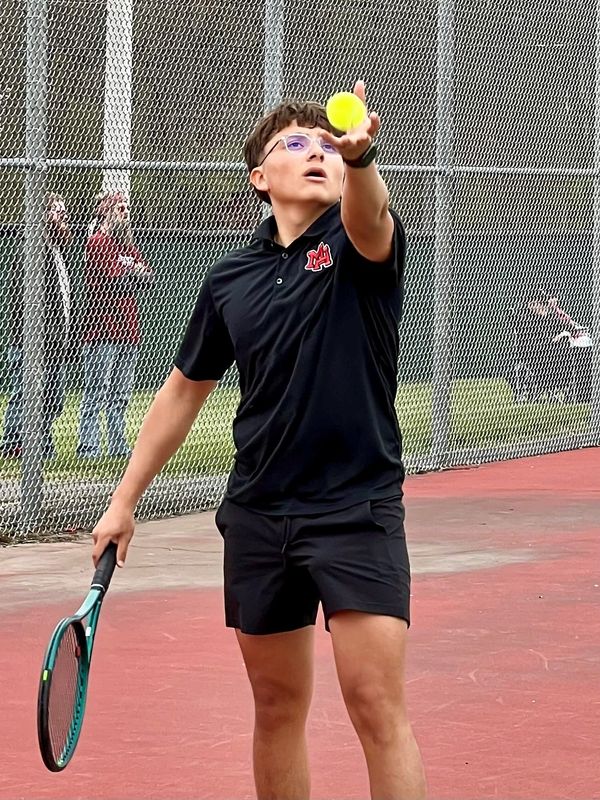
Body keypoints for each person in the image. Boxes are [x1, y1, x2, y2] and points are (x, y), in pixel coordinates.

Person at [91, 81, 427, 799]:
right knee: (276, 708)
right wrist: (123, 501)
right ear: (259, 177)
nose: (316, 153)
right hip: (258, 516)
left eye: (327, 147)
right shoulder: (230, 279)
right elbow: (182, 390)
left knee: (376, 705)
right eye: (294, 144)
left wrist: (363, 157)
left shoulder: (359, 243)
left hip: (356, 511)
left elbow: (372, 217)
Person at [76, 191, 153, 459]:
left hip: (128, 329)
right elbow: (115, 281)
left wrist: (132, 275)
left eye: (126, 208)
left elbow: (149, 278)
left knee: (121, 394)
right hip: (102, 329)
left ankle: (118, 445)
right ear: (106, 211)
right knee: (96, 392)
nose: (125, 212)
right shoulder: (98, 242)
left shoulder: (127, 245)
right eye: (119, 208)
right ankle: (89, 447)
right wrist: (134, 275)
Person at [1, 192, 73, 460]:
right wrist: (43, 336)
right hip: (31, 341)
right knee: (25, 393)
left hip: (55, 341)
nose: (63, 215)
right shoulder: (31, 249)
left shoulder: (56, 251)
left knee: (53, 399)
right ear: (42, 215)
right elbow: (27, 300)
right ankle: (14, 443)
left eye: (64, 210)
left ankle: (39, 442)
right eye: (56, 210)